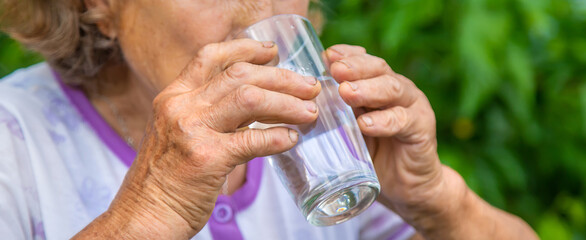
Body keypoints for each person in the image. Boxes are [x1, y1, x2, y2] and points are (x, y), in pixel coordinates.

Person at [0, 0, 539, 239]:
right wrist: (153, 210)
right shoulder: (14, 141)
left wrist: (440, 201)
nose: (259, 12)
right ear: (100, 4)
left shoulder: (328, 143)